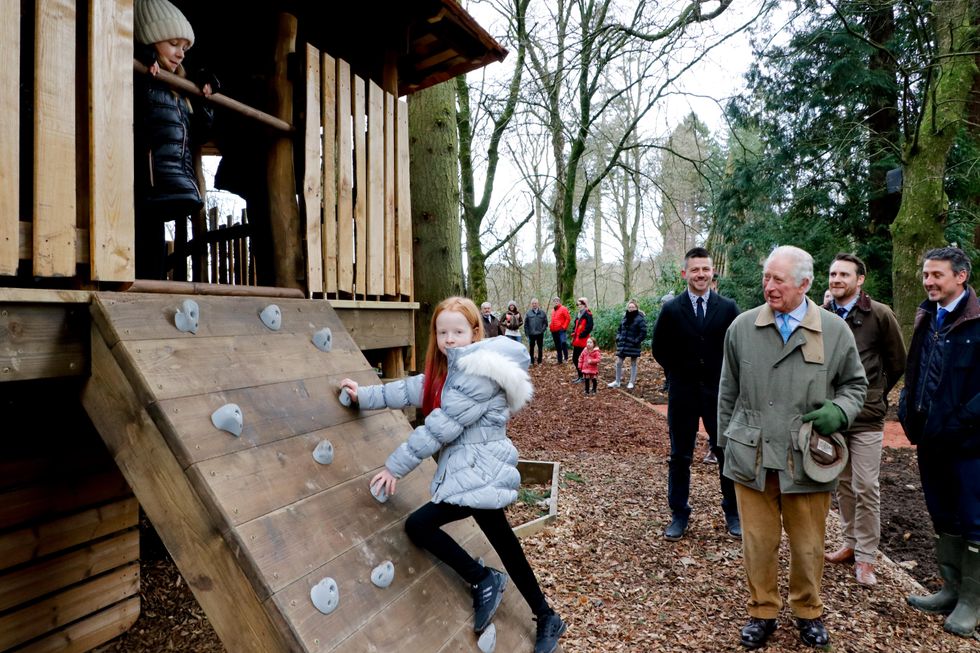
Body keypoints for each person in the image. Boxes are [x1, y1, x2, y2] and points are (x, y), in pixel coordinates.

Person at [338, 297, 566, 653]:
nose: (449, 339)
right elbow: (407, 389)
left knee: (420, 525)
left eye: (457, 331)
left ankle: (487, 581)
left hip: (480, 471)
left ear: (475, 332)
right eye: (442, 332)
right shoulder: (451, 372)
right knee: (503, 540)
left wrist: (393, 467)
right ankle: (541, 611)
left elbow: (440, 428)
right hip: (474, 470)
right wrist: (362, 395)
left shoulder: (478, 374)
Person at [719, 245, 867, 650]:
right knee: (758, 543)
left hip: (807, 457)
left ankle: (808, 612)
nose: (769, 286)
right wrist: (725, 446)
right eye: (767, 277)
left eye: (778, 279)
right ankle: (762, 612)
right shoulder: (742, 328)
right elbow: (727, 391)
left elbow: (856, 385)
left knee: (808, 545)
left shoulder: (835, 332)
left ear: (804, 284)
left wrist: (840, 411)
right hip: (752, 455)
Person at [900, 247, 980, 638]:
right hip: (930, 440)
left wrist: (963, 420)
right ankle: (949, 589)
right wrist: (905, 407)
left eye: (937, 275)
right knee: (943, 515)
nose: (929, 281)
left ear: (961, 277)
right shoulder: (927, 316)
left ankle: (971, 601)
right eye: (926, 275)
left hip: (969, 445)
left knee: (974, 521)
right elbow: (915, 367)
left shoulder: (978, 322)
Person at [822, 253, 906, 587]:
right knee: (841, 483)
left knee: (866, 485)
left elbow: (897, 360)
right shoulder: (822, 314)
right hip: (833, 414)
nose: (836, 279)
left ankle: (867, 558)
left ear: (860, 280)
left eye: (844, 274)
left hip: (868, 415)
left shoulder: (880, 314)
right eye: (832, 273)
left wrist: (878, 394)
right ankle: (850, 543)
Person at [652, 247, 741, 541]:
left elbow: (737, 348)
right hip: (683, 392)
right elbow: (659, 348)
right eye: (695, 270)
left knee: (725, 452)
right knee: (680, 456)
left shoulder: (728, 308)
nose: (701, 274)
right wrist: (679, 371)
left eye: (705, 269)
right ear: (685, 274)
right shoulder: (672, 309)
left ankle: (733, 513)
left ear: (712, 271)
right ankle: (679, 513)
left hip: (719, 393)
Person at [133, 0, 216, 280]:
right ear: (150, 39)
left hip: (170, 181)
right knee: (139, 249)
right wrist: (139, 60)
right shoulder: (141, 76)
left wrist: (204, 98)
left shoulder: (178, 87)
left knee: (153, 255)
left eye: (185, 48)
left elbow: (198, 134)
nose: (180, 54)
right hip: (142, 182)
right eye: (173, 44)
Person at [608, 300, 647, 390]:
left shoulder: (640, 319)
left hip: (633, 345)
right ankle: (617, 381)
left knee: (633, 363)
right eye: (629, 307)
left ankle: (631, 382)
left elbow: (643, 332)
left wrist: (636, 341)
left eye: (633, 307)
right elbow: (619, 329)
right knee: (618, 362)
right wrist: (618, 337)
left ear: (636, 308)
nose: (631, 309)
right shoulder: (624, 317)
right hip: (623, 344)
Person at [570, 298, 594, 383]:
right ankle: (580, 376)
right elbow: (575, 325)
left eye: (580, 304)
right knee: (575, 358)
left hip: (583, 340)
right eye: (578, 304)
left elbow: (590, 326)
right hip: (577, 339)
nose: (579, 306)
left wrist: (582, 334)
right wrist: (573, 332)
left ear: (584, 304)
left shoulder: (588, 313)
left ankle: (583, 376)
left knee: (581, 358)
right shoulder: (579, 314)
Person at [524, 298, 548, 365]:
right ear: (531, 304)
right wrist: (527, 333)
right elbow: (526, 324)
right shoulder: (528, 313)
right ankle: (531, 361)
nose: (534, 305)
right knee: (531, 348)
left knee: (540, 348)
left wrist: (542, 330)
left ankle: (539, 361)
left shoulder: (542, 313)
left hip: (540, 334)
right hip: (531, 334)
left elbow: (545, 323)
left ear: (538, 304)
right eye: (533, 303)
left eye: (535, 303)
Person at [549, 298, 571, 364]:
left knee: (563, 343)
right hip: (554, 330)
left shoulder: (563, 308)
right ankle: (559, 360)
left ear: (559, 302)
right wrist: (550, 327)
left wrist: (564, 327)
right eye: (554, 301)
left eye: (557, 301)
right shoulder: (552, 310)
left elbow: (568, 318)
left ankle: (566, 358)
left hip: (561, 330)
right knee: (557, 346)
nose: (556, 302)